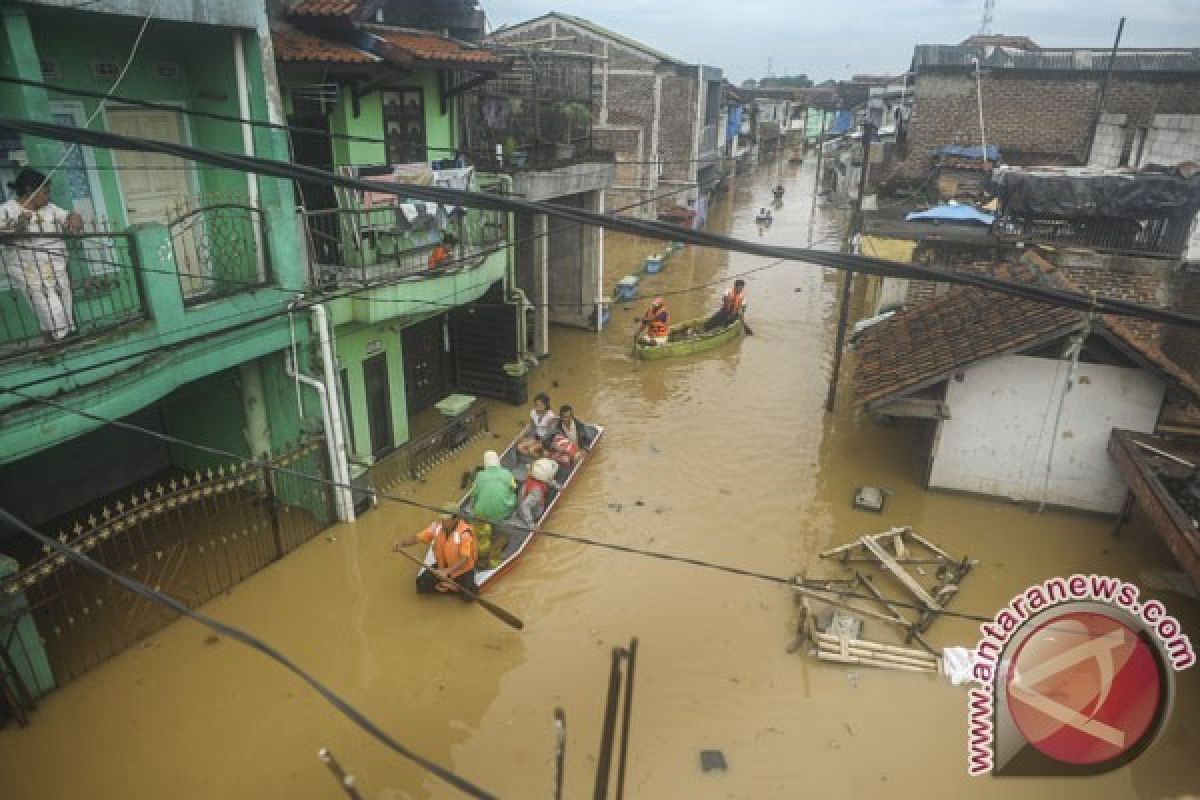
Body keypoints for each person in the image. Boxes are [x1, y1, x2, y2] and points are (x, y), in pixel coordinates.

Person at [1, 168, 83, 343]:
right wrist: (15, 228)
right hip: (28, 271)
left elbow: (67, 216)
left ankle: (53, 345)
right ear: (31, 191)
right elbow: (2, 237)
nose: (47, 196)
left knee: (64, 309)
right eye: (45, 192)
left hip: (57, 267)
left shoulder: (50, 208)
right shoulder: (7, 210)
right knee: (51, 309)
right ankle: (63, 344)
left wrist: (74, 217)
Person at [394, 506, 478, 597]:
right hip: (442, 567)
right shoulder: (436, 526)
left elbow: (464, 558)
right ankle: (448, 586)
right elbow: (418, 538)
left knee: (469, 595)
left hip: (461, 570)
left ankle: (454, 587)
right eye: (442, 518)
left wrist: (446, 572)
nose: (442, 521)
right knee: (421, 585)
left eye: (446, 519)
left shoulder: (465, 533)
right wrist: (402, 543)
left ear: (455, 519)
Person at [469, 450, 517, 522]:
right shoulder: (507, 473)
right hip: (504, 513)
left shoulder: (480, 475)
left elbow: (474, 495)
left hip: (481, 514)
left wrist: (472, 508)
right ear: (498, 461)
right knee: (514, 494)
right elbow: (514, 488)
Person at [516, 457, 559, 527]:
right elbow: (525, 505)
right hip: (532, 512)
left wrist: (558, 486)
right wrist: (531, 524)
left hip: (522, 501)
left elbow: (548, 479)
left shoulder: (532, 474)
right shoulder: (537, 491)